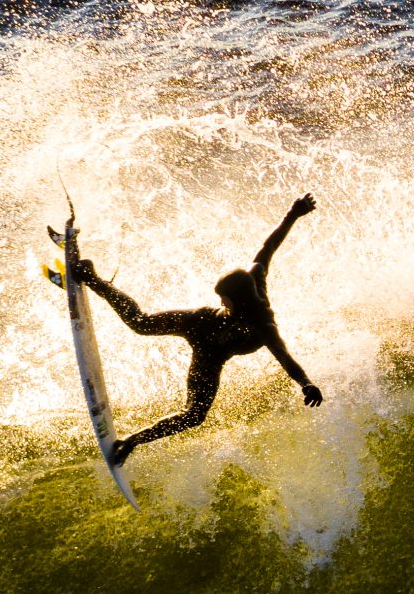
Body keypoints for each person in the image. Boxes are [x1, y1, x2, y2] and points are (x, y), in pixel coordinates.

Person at [61, 194, 325, 463]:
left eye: (225, 299)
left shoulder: (263, 326)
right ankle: (92, 277)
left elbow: (286, 358)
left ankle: (132, 441)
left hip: (211, 356)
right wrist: (293, 214)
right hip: (199, 322)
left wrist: (306, 383)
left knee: (195, 415)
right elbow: (269, 245)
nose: (221, 302)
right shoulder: (254, 274)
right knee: (140, 323)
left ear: (240, 301)